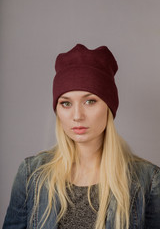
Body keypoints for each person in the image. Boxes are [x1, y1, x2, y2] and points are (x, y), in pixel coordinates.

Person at [3, 44, 160, 229]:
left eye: (90, 101)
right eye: (66, 103)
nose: (77, 115)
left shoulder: (148, 180)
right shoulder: (31, 175)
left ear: (109, 108)